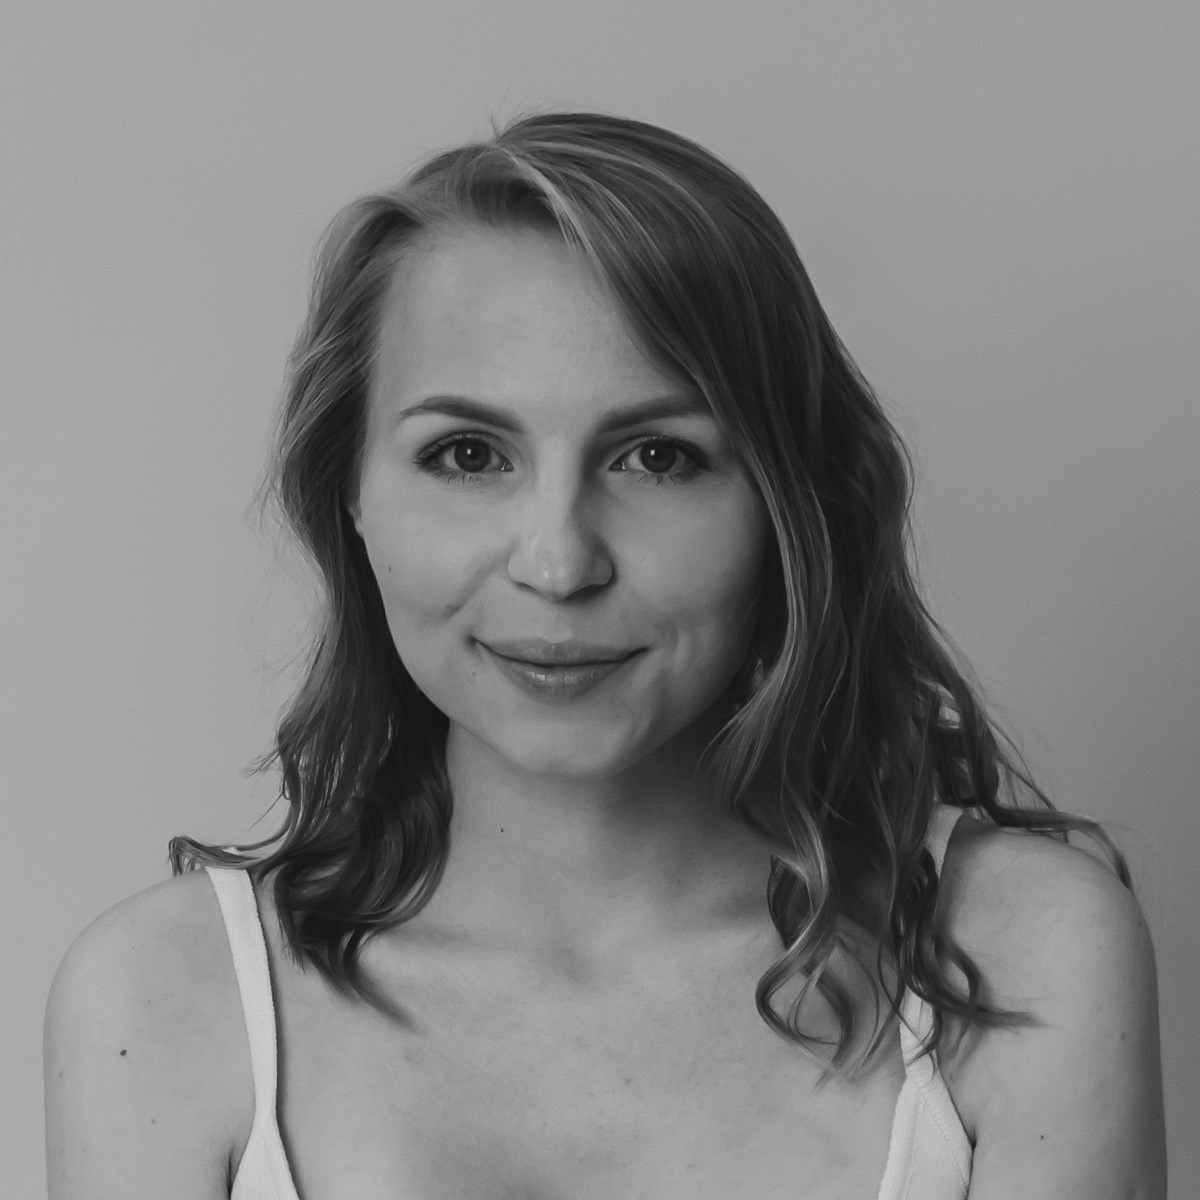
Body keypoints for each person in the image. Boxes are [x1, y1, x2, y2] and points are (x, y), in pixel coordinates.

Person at [44, 112, 1167, 1199]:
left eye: (658, 458)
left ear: (790, 507)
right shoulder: (163, 1002)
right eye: (468, 455)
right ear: (352, 497)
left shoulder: (1021, 951)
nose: (559, 562)